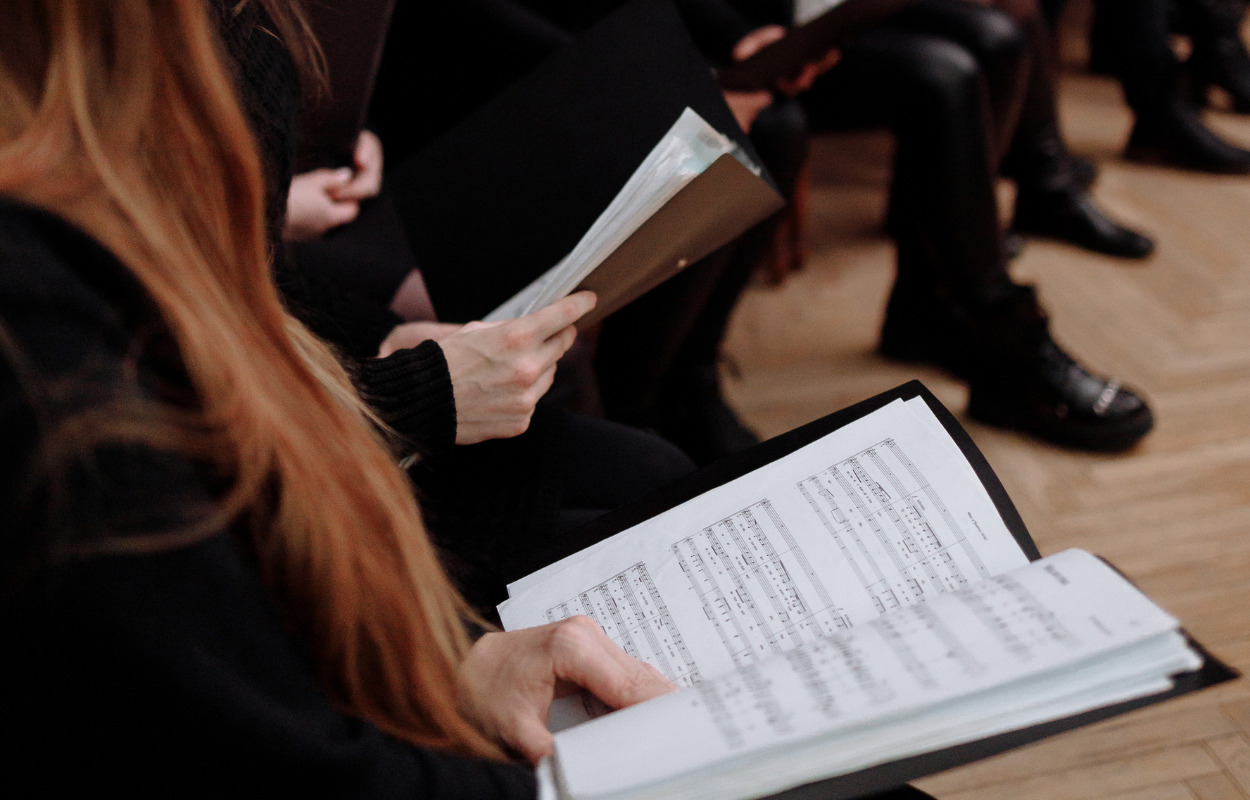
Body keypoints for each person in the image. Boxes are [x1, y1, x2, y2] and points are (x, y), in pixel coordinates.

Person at [1, 1, 682, 794]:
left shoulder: (199, 57)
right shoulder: (45, 339)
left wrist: (461, 659)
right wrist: (413, 392)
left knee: (648, 473)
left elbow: (249, 292)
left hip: (312, 421)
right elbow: (257, 730)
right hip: (310, 475)